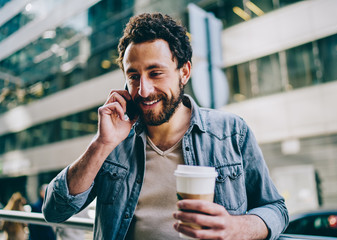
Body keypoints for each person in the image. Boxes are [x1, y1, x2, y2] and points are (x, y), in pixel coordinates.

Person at [43, 12, 289, 240]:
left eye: (155, 73)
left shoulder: (231, 132)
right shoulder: (113, 141)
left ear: (184, 72)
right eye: (133, 76)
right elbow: (55, 210)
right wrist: (102, 144)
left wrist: (237, 228)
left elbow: (276, 209)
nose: (144, 90)